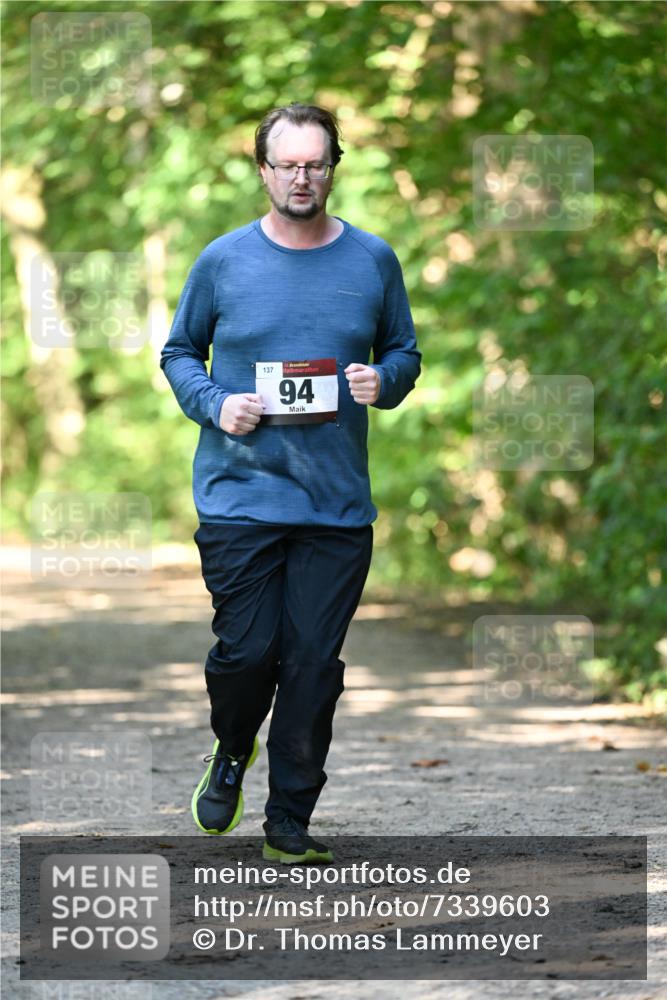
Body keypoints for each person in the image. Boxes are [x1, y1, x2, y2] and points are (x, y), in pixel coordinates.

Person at [160, 102, 421, 864]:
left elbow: (403, 352)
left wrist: (385, 380)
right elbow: (180, 352)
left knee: (312, 664)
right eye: (287, 164)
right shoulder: (222, 261)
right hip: (239, 496)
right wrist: (215, 403)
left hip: (335, 506)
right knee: (247, 655)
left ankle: (288, 821)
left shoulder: (372, 259)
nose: (301, 177)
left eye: (315, 163)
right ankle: (231, 749)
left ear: (333, 166)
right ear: (262, 169)